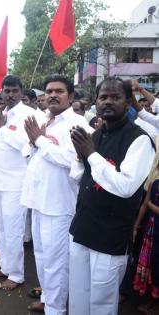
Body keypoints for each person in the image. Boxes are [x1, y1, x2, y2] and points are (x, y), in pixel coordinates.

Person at [68, 77, 155, 315]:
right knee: (78, 294)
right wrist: (79, 156)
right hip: (82, 228)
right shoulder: (95, 136)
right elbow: (78, 177)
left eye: (115, 97)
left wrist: (91, 154)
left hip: (110, 235)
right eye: (103, 97)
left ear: (128, 101)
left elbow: (125, 187)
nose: (108, 102)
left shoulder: (140, 140)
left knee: (101, 301)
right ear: (95, 101)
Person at [21, 75, 92, 315]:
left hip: (59, 204)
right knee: (41, 257)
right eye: (49, 91)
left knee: (56, 262)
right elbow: (27, 151)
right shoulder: (45, 120)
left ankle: (57, 309)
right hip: (39, 199)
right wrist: (34, 142)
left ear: (71, 97)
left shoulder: (78, 124)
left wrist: (40, 141)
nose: (52, 95)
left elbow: (73, 161)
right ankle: (49, 300)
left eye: (59, 91)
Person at [0, 75, 39, 290]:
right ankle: (6, 267)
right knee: (1, 227)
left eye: (14, 91)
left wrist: (2, 128)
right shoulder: (4, 113)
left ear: (21, 92)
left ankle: (16, 275)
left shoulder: (29, 115)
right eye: (6, 91)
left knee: (14, 229)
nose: (9, 95)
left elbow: (26, 146)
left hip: (15, 181)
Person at [133, 151, 159, 315]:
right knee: (149, 262)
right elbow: (143, 206)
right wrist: (136, 226)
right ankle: (151, 300)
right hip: (150, 231)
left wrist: (150, 206)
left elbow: (148, 205)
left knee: (157, 265)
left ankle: (156, 304)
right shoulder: (154, 184)